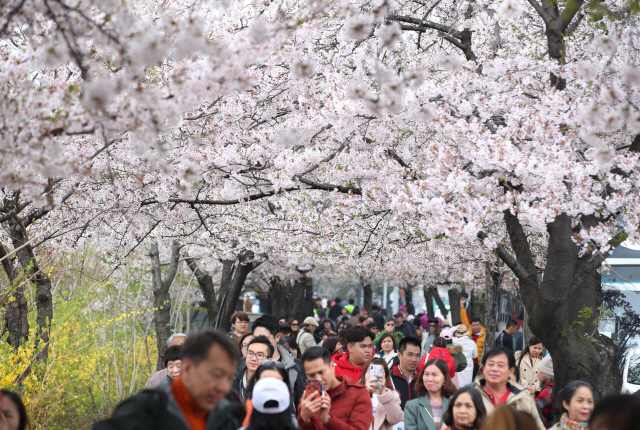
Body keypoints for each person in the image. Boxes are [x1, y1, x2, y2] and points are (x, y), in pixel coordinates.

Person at [93, 329, 244, 430]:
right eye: (216, 375)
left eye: (229, 378)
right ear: (187, 369)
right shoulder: (144, 411)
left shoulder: (228, 414)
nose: (223, 387)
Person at [298, 346, 373, 430]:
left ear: (332, 366)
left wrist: (328, 420)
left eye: (321, 372)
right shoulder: (307, 399)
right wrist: (304, 419)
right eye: (311, 375)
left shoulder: (359, 393)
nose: (318, 379)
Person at [471, 347, 544, 430]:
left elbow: (537, 427)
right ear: (484, 369)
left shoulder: (524, 398)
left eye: (500, 365)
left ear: (511, 371)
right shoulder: (470, 396)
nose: (494, 369)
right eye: (490, 364)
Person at [248, 314, 306, 408]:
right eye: (256, 338)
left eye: (265, 338)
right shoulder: (243, 364)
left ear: (277, 337)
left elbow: (300, 402)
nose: (260, 342)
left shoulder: (295, 366)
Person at [405, 358, 457, 430]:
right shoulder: (412, 406)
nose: (429, 379)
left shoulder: (454, 404)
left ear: (445, 379)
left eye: (434, 375)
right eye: (426, 374)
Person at [241, 359, 294, 427]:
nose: (270, 386)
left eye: (276, 382)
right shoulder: (243, 410)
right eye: (265, 381)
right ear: (255, 382)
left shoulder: (291, 417)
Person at [357, 357, 404, 430]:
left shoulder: (392, 395)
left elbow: (395, 420)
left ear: (385, 375)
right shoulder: (355, 393)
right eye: (370, 371)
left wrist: (384, 393)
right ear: (364, 374)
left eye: (379, 371)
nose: (375, 374)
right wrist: (363, 393)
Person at [232, 336, 274, 401]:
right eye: (250, 353)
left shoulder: (276, 388)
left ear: (269, 360)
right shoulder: (232, 385)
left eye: (259, 355)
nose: (253, 358)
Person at [390, 337, 421, 409]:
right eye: (410, 355)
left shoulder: (424, 377)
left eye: (417, 356)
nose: (414, 360)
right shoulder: (388, 377)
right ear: (399, 355)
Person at [460, 298, 486, 380]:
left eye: (477, 325)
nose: (475, 327)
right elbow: (464, 319)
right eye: (473, 325)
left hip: (480, 363)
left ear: (480, 325)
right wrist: (462, 305)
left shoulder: (485, 335)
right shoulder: (469, 332)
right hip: (470, 363)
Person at [534, 354, 554, 428]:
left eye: (538, 371)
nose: (537, 374)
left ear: (544, 374)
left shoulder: (550, 389)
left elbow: (538, 403)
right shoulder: (549, 387)